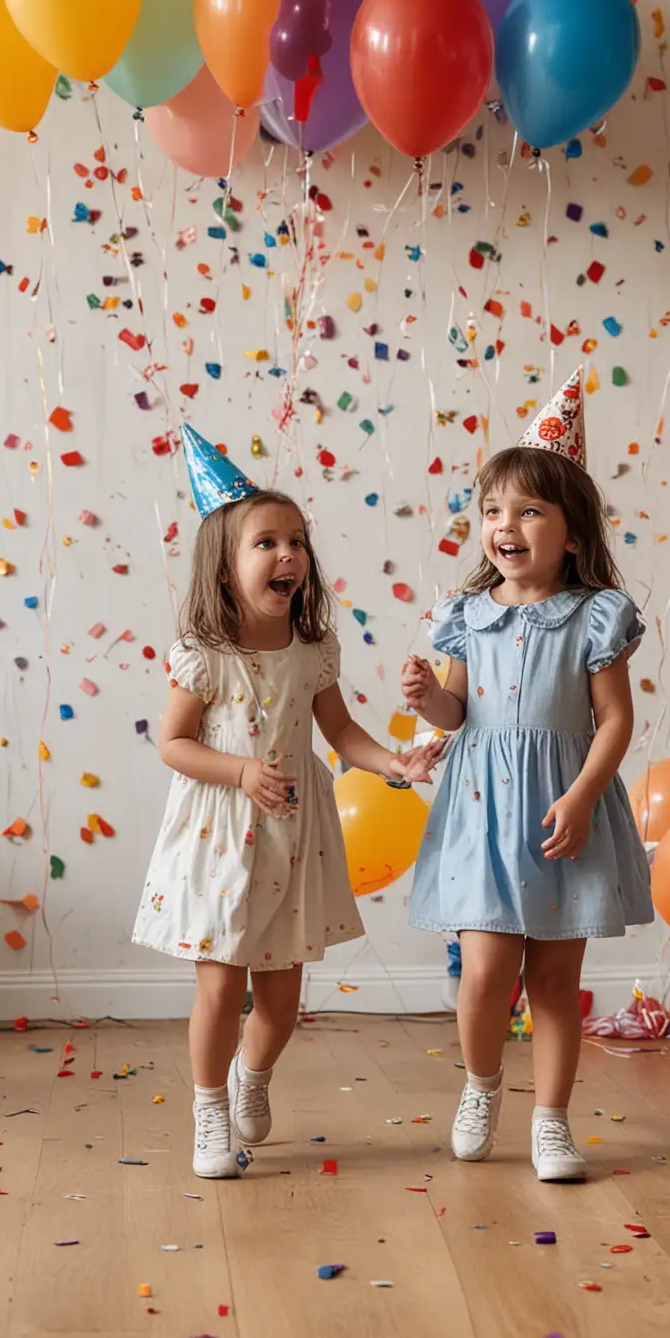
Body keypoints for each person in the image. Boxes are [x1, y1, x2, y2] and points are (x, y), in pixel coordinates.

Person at [136, 428, 436, 1180]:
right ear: (225, 565)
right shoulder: (203, 656)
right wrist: (238, 772)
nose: (287, 555)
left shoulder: (312, 651)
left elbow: (338, 731)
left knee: (280, 998)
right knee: (219, 984)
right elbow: (173, 743)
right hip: (219, 836)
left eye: (295, 541)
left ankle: (252, 1076)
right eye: (265, 542)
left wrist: (394, 763)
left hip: (294, 838)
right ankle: (209, 1108)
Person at [401, 371, 652, 1182]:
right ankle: (481, 1086)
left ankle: (551, 1121)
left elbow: (614, 720)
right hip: (480, 813)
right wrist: (428, 697)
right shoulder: (468, 616)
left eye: (529, 511)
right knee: (483, 974)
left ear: (573, 533)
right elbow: (455, 716)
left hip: (559, 816)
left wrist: (581, 797)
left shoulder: (594, 615)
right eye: (493, 511)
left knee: (552, 980)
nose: (505, 525)